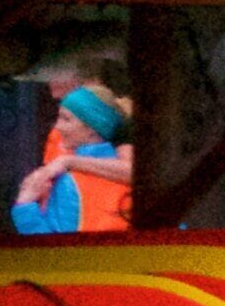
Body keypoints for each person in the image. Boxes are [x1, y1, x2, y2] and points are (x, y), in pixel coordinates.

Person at [12, 85, 134, 234]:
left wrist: (24, 206)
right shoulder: (124, 174)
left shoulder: (69, 182)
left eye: (66, 119)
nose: (58, 126)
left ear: (92, 128)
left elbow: (55, 251)